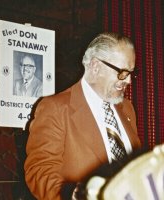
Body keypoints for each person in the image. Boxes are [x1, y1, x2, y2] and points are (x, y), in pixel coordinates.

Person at [24, 32, 141, 200]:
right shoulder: (56, 108)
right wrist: (72, 194)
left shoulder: (127, 108)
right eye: (122, 72)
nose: (128, 81)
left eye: (131, 73)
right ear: (95, 66)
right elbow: (39, 170)